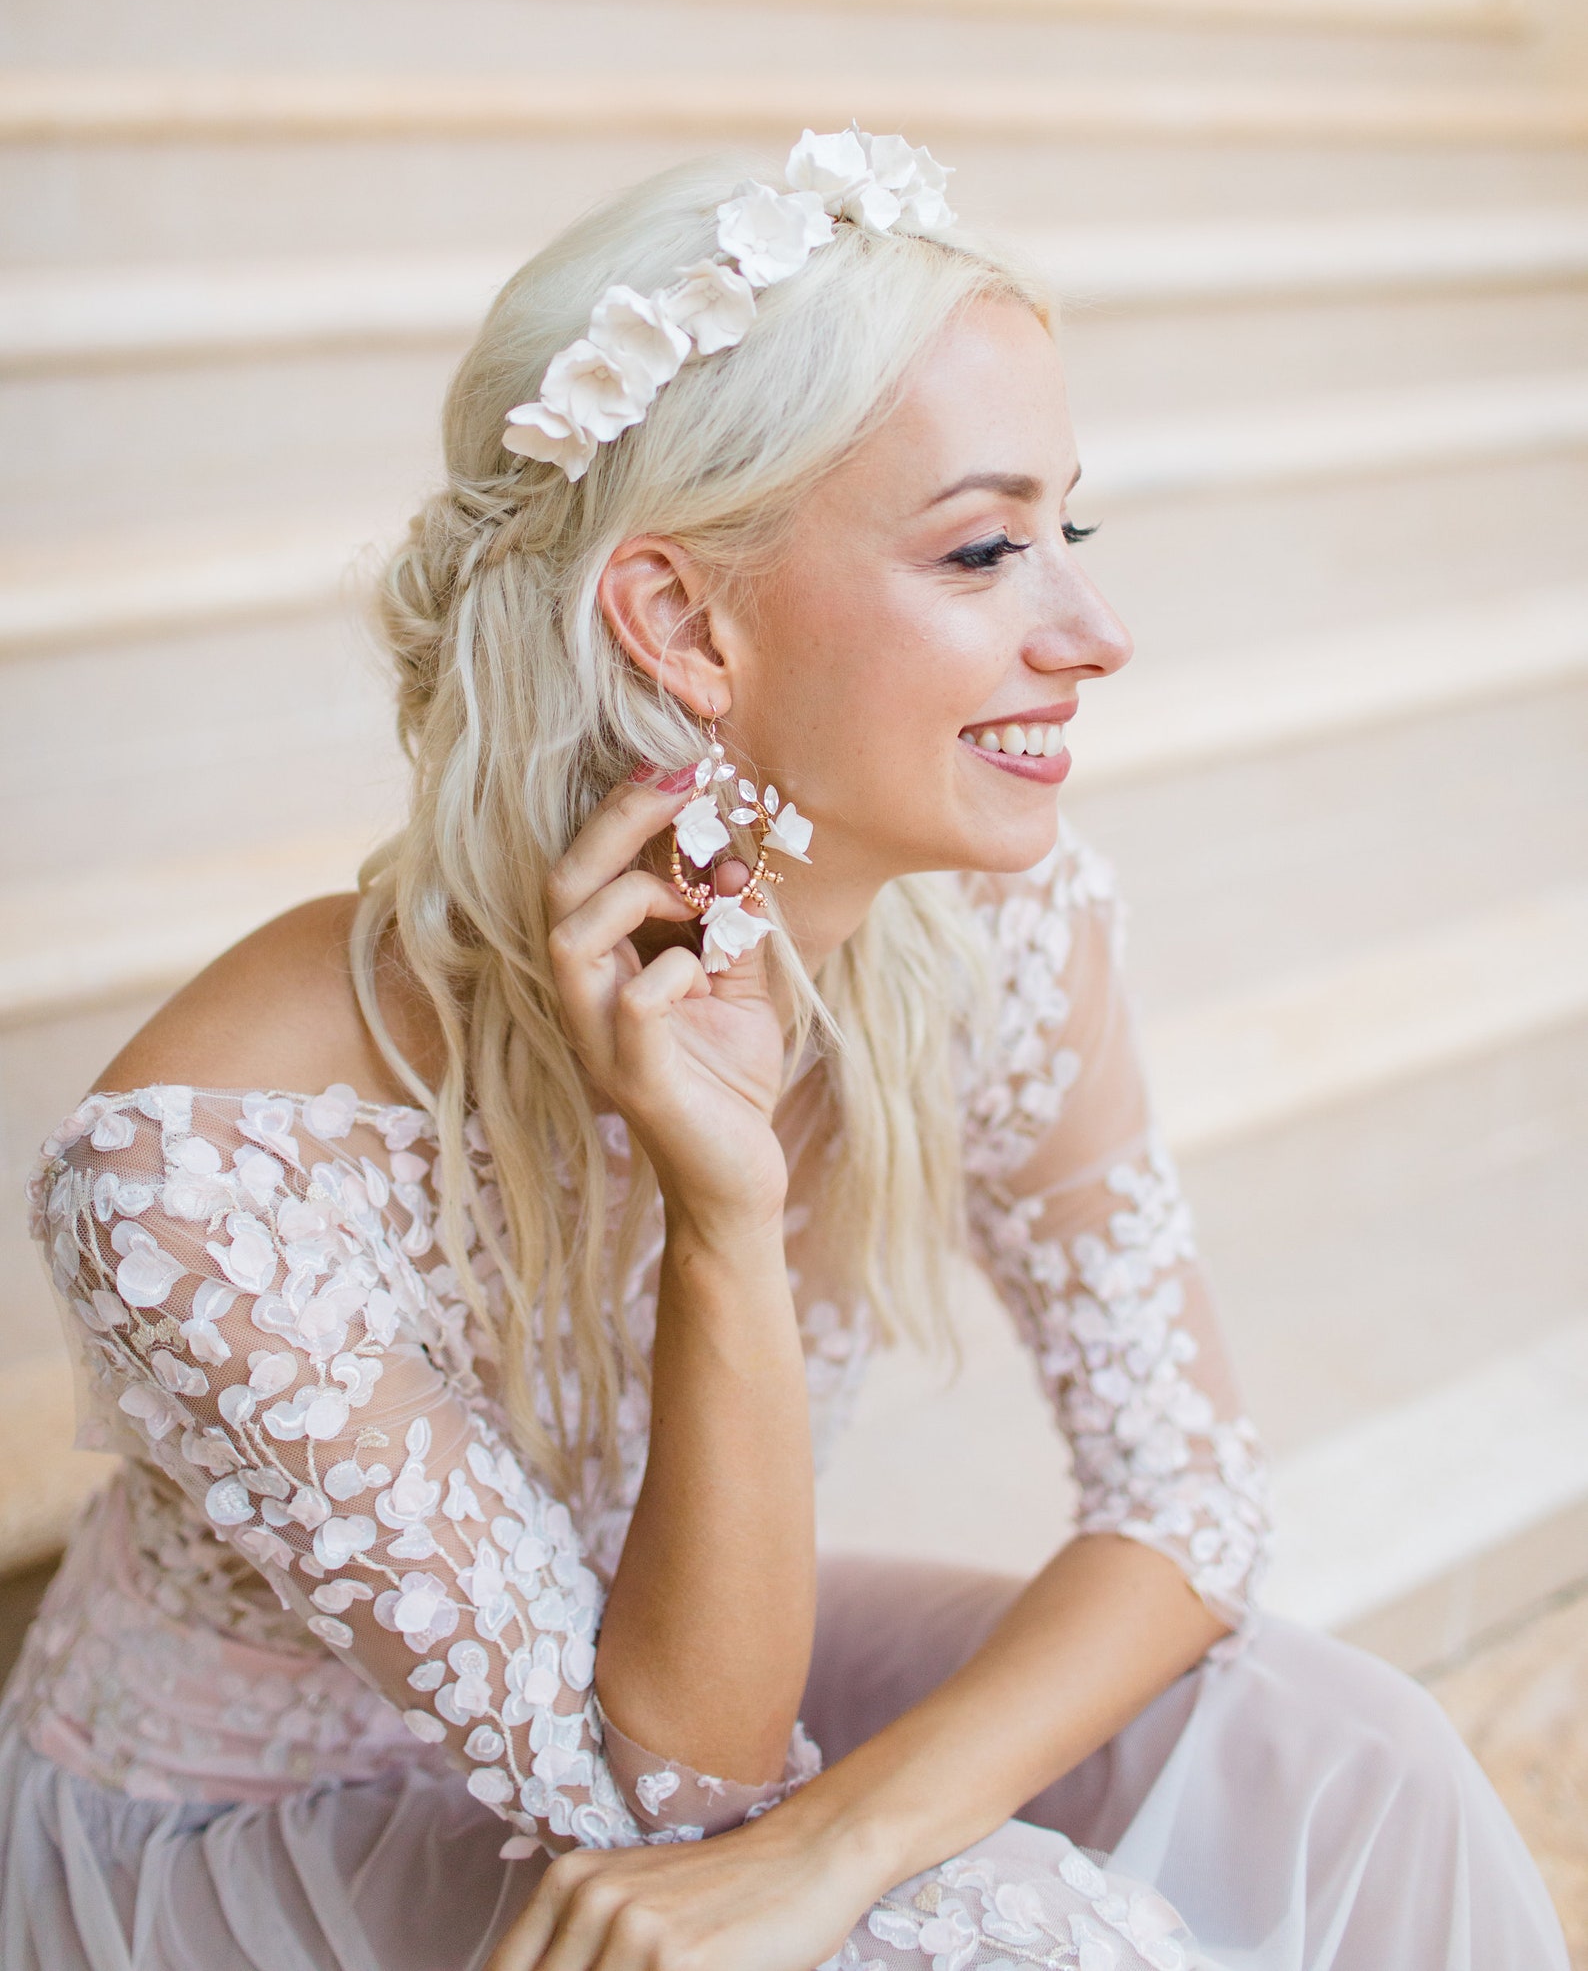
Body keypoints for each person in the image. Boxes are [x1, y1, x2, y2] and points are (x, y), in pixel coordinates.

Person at [0, 131, 1566, 1971]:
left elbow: (1192, 1501)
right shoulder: (204, 1173)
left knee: (1352, 1753)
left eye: (1072, 529)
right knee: (980, 1937)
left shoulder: (997, 929)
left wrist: (847, 1834)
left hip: (669, 1672)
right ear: (684, 623)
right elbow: (669, 1797)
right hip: (257, 1836)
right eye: (986, 547)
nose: (1096, 631)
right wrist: (724, 1211)